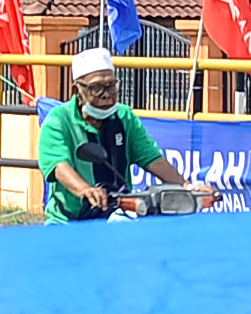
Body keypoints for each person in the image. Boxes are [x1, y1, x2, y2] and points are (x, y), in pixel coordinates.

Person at [39, 48, 192, 222]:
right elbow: (59, 166)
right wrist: (85, 190)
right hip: (68, 223)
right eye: (96, 88)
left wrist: (187, 187)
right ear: (77, 91)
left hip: (117, 218)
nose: (106, 95)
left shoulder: (125, 116)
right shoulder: (58, 120)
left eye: (111, 86)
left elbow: (153, 159)